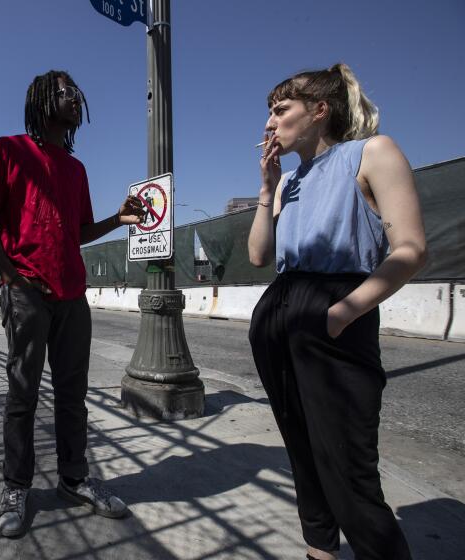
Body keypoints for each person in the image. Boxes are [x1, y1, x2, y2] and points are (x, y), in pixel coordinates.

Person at [247, 63, 425, 560]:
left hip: (334, 309)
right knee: (303, 454)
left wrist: (345, 311)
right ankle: (319, 551)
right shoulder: (290, 183)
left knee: (347, 465)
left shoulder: (372, 153)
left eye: (281, 110)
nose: (269, 123)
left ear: (320, 111)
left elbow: (410, 248)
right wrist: (267, 188)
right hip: (282, 310)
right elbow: (260, 256)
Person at [0, 70, 145, 537]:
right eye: (65, 91)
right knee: (22, 393)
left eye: (76, 93)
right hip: (28, 294)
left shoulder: (76, 169)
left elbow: (79, 232)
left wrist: (118, 218)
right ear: (41, 99)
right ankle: (15, 486)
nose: (74, 98)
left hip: (72, 296)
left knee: (73, 395)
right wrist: (13, 280)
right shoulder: (6, 150)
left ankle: (73, 478)